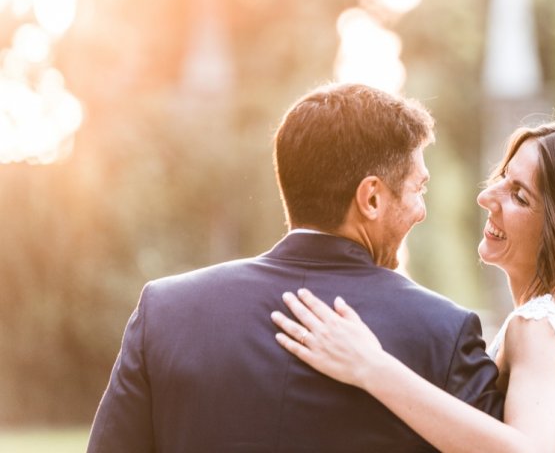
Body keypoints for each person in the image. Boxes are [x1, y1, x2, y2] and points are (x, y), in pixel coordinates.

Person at [87, 83, 504, 452]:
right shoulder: (445, 333)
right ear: (371, 198)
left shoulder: (166, 310)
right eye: (418, 188)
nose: (421, 210)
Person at [271, 118, 555, 453]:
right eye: (503, 179)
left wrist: (370, 366)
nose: (486, 197)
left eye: (519, 196)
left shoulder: (539, 326)